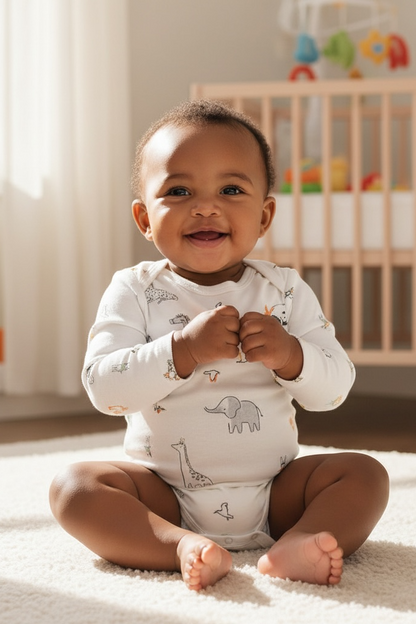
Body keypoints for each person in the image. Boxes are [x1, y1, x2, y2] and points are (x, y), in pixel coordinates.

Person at [49, 100, 389, 592]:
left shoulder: (285, 290)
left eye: (231, 189)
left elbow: (333, 389)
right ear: (145, 218)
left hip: (277, 492)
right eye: (179, 190)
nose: (205, 207)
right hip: (162, 493)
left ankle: (302, 539)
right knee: (74, 489)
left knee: (365, 474)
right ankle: (177, 545)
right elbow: (105, 389)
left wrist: (291, 356)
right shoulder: (134, 290)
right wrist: (180, 351)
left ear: (265, 215)